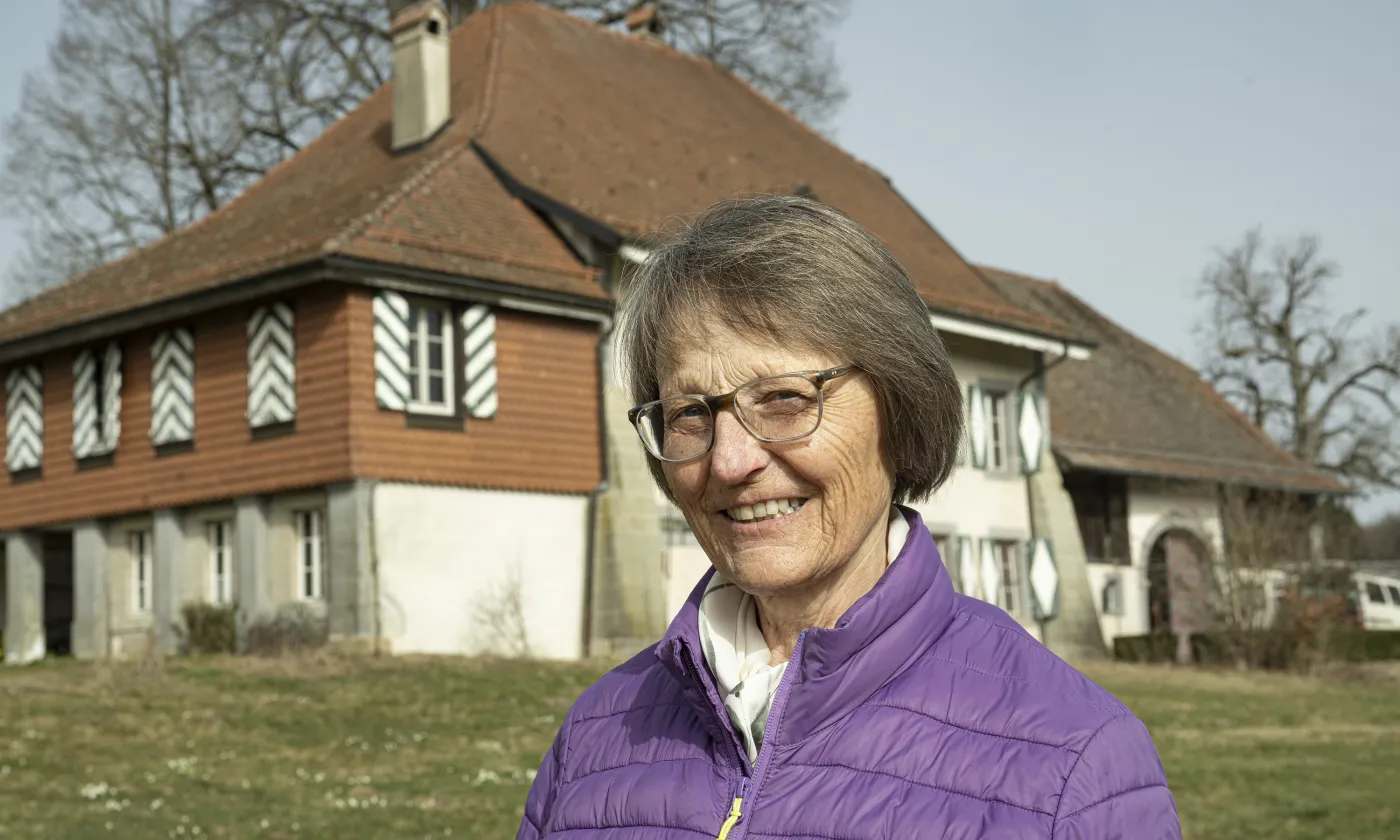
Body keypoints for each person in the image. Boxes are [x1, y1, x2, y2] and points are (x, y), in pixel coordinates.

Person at [517, 195, 1182, 839]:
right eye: (691, 413)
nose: (729, 462)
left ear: (899, 411)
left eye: (784, 398)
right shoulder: (596, 734)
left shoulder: (1072, 762)